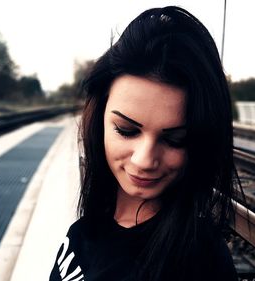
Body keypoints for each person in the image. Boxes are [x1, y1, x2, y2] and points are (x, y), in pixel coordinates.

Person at [50, 6, 238, 281]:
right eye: (126, 130)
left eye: (175, 139)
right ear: (99, 117)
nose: (144, 160)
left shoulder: (199, 261)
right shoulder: (87, 230)